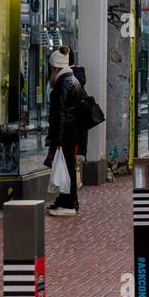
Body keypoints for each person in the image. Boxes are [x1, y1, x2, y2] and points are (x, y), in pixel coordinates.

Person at [46, 46, 84, 217]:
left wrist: (57, 140)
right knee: (68, 167)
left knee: (66, 168)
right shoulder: (73, 80)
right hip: (72, 132)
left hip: (65, 135)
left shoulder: (63, 83)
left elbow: (60, 114)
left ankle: (68, 203)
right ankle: (66, 200)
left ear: (55, 68)